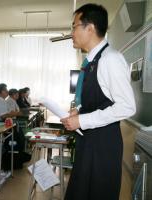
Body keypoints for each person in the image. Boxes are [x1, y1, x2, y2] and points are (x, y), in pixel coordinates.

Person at [60, 4, 136, 200]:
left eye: (74, 26)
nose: (71, 32)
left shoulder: (110, 59)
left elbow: (127, 106)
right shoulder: (90, 62)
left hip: (102, 147)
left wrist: (82, 121)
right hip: (89, 142)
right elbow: (98, 101)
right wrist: (79, 112)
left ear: (90, 28)